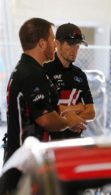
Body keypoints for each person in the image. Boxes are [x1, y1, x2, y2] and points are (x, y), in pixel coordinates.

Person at [0, 18, 86, 193]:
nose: (54, 45)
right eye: (52, 39)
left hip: (26, 160)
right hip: (25, 164)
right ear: (41, 43)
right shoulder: (31, 73)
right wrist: (68, 121)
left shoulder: (31, 69)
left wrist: (64, 117)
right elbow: (45, 119)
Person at [44, 23, 95, 140]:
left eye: (77, 46)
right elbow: (45, 111)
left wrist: (65, 113)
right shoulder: (44, 70)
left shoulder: (80, 75)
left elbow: (91, 112)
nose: (75, 50)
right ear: (57, 44)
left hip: (74, 140)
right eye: (71, 44)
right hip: (50, 141)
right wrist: (78, 108)